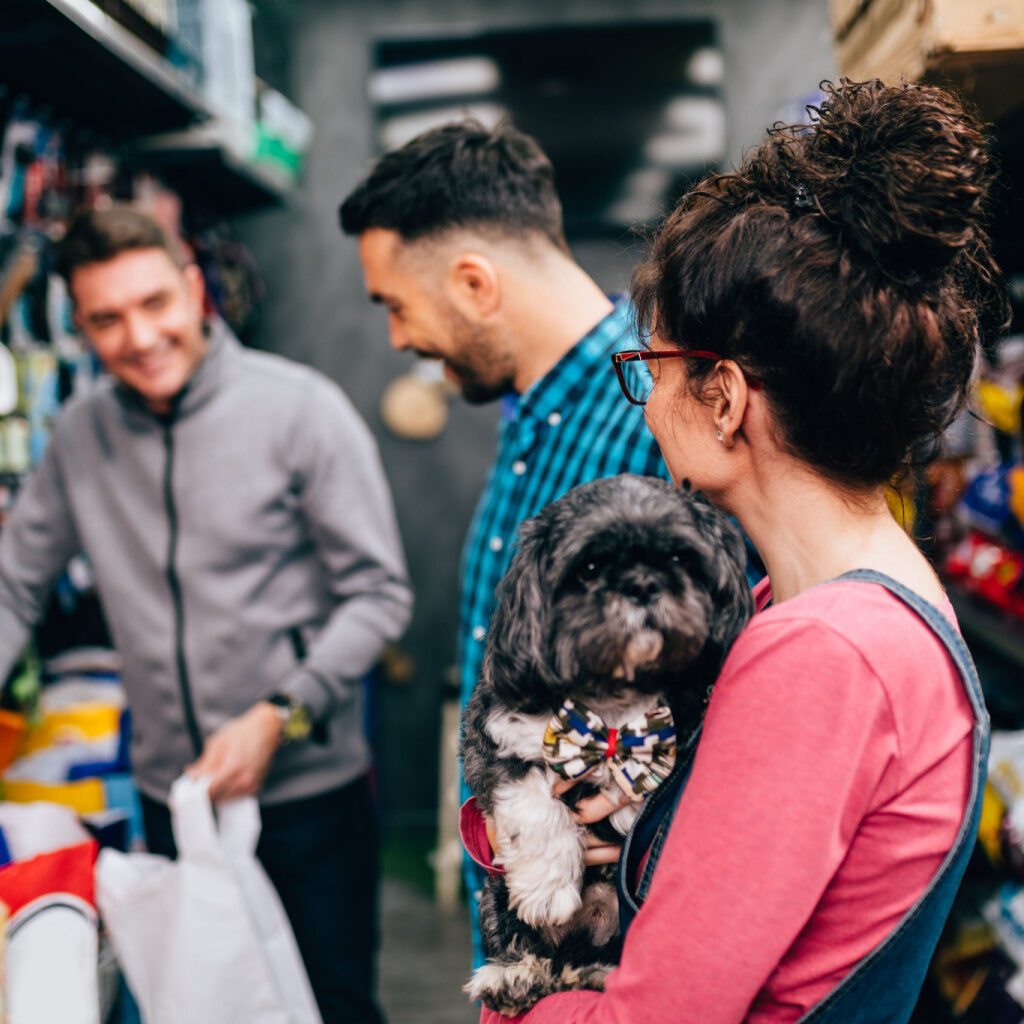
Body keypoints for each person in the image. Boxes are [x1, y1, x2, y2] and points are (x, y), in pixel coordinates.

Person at [478, 79, 1008, 1023]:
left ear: (723, 396)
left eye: (652, 369)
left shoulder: (824, 659)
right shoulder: (832, 603)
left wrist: (511, 1010)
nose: (646, 400)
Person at [0, 206, 411, 1024]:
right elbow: (16, 585)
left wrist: (280, 715)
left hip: (308, 796)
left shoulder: (299, 409)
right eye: (108, 320)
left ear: (195, 290)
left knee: (331, 1009)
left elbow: (379, 593)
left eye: (155, 304)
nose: (140, 337)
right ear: (79, 326)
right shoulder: (80, 437)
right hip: (172, 796)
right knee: (206, 1007)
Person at [339, 119, 689, 962]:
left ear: (472, 282)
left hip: (614, 959)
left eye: (396, 305)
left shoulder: (662, 420)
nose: (398, 338)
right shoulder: (527, 411)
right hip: (520, 939)